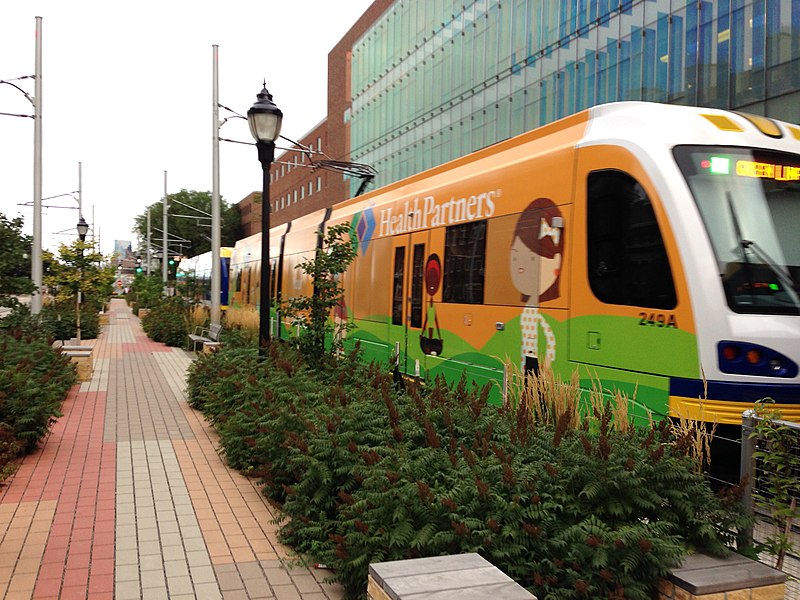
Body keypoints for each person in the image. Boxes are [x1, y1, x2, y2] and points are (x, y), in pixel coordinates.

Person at [509, 198, 564, 375]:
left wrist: (547, 364)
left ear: (556, 264)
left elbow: (550, 340)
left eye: (533, 258)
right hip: (528, 358)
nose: (521, 267)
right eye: (515, 257)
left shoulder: (541, 317)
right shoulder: (528, 311)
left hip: (536, 360)